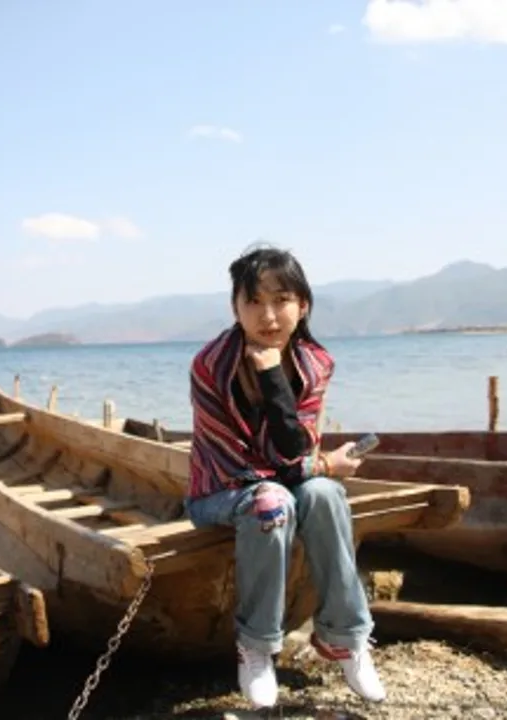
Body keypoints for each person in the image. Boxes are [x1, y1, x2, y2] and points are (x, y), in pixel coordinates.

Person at [183, 245, 386, 709]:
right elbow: (240, 465)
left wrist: (274, 375)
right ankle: (256, 646)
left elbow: (293, 452)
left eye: (281, 300)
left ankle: (344, 637)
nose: (268, 315)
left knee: (325, 495)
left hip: (281, 481)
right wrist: (324, 462)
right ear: (235, 308)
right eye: (254, 301)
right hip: (219, 490)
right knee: (272, 500)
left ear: (303, 305)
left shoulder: (315, 364)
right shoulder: (210, 367)